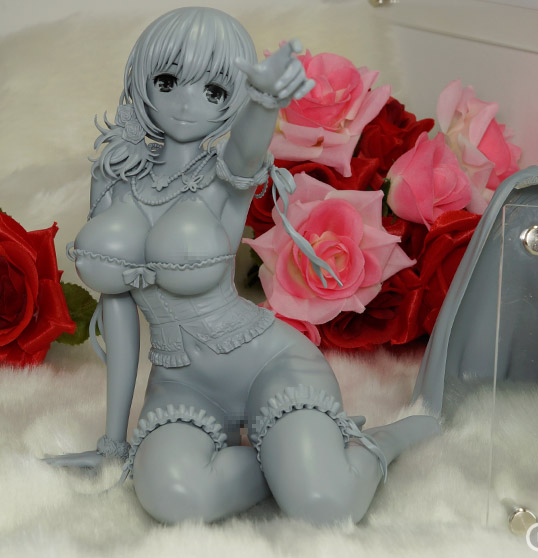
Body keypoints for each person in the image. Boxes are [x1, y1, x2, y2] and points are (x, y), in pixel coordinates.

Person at [47, 7, 436, 524]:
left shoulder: (224, 176)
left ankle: (380, 443)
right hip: (180, 386)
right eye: (168, 81)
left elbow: (246, 151)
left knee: (324, 506)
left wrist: (263, 102)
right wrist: (113, 444)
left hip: (270, 365)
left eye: (213, 90)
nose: (187, 102)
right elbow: (117, 312)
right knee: (174, 499)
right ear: (142, 78)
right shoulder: (114, 176)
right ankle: (284, 461)